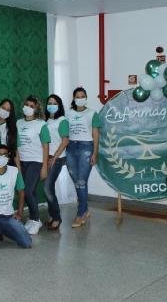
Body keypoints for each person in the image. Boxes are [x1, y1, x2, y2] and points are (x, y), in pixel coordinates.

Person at [66, 87, 102, 228]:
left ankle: (80, 214)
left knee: (81, 181)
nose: (80, 98)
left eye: (82, 96)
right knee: (78, 182)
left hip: (86, 148)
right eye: (77, 96)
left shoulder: (92, 113)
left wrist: (95, 153)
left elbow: (96, 134)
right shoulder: (68, 114)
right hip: (70, 148)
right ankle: (85, 209)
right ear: (74, 98)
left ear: (86, 97)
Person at [16, 96, 50, 235]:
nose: (28, 107)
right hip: (22, 162)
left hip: (36, 162)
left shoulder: (41, 124)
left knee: (28, 191)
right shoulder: (18, 123)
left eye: (32, 106)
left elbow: (46, 146)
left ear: (37, 109)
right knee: (27, 192)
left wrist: (44, 167)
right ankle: (32, 217)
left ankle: (36, 220)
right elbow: (17, 144)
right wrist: (17, 164)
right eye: (26, 104)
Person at [43, 94, 69, 230]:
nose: (51, 105)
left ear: (59, 106)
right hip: (47, 157)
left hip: (57, 158)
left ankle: (57, 217)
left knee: (47, 188)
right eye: (49, 103)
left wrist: (54, 158)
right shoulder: (46, 120)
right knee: (49, 188)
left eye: (54, 103)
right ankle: (52, 215)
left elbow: (65, 140)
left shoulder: (62, 120)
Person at [0, 99, 19, 167]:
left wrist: (18, 168)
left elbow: (15, 151)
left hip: (8, 160)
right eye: (3, 108)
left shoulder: (12, 128)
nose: (4, 111)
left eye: (8, 110)